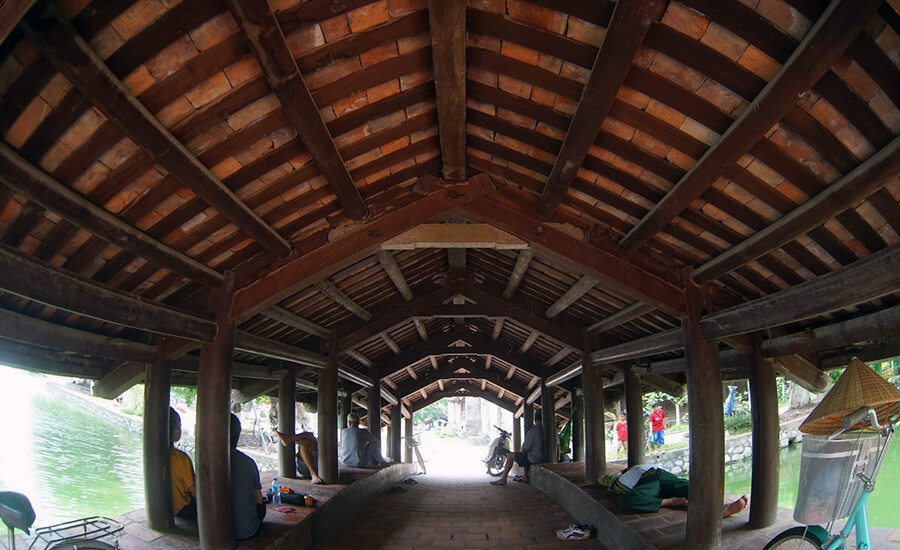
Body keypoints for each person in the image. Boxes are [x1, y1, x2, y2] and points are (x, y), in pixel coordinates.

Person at [599, 465, 748, 517]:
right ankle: (671, 501)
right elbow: (601, 479)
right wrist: (619, 474)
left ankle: (719, 509)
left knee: (689, 486)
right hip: (645, 483)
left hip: (661, 474)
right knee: (626, 500)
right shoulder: (620, 477)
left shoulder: (639, 466)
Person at [230, 413, 266, 540]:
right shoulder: (247, 462)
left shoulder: (205, 462)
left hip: (211, 532)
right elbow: (258, 500)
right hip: (246, 531)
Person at [490, 410, 544, 486]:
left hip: (536, 458)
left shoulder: (533, 431)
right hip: (546, 457)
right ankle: (525, 476)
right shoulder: (551, 430)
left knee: (511, 456)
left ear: (535, 419)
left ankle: (503, 479)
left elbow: (524, 448)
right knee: (525, 455)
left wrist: (519, 452)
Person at [169, 407, 197, 520]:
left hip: (165, 507)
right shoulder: (181, 458)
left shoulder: (153, 454)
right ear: (176, 432)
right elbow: (194, 492)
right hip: (182, 509)